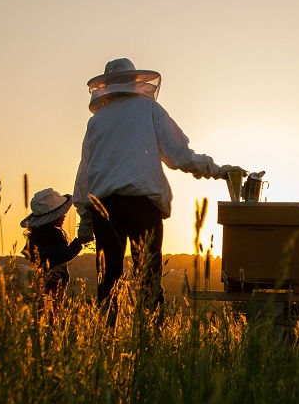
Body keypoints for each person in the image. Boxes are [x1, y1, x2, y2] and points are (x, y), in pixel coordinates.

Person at [73, 58, 240, 312]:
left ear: (106, 85)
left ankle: (106, 340)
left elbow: (86, 172)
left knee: (108, 280)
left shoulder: (96, 122)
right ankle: (149, 336)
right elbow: (179, 155)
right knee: (148, 278)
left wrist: (85, 222)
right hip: (142, 205)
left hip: (103, 207)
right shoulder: (149, 109)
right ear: (133, 81)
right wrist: (217, 170)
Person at [19, 188, 85, 300]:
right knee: (52, 310)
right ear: (53, 216)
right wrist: (79, 242)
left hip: (39, 280)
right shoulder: (53, 235)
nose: (64, 215)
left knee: (42, 309)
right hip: (54, 281)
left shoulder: (36, 234)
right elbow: (65, 255)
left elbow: (28, 254)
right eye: (61, 213)